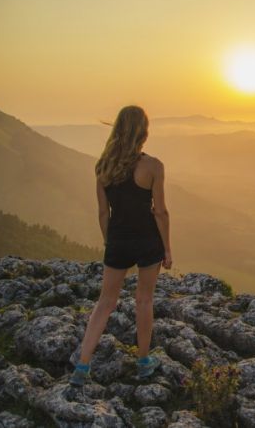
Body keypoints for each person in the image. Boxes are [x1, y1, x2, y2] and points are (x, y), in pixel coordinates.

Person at [69, 105, 173, 386]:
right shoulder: (153, 166)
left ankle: (82, 366)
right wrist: (167, 248)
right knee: (144, 300)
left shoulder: (103, 166)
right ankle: (142, 362)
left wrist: (109, 240)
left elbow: (103, 213)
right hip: (148, 240)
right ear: (143, 132)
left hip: (118, 240)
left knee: (105, 303)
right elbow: (160, 212)